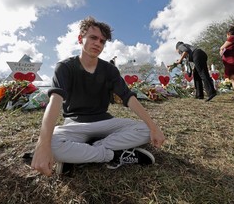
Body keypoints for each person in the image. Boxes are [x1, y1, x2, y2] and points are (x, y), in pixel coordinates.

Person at [31, 16, 165, 176]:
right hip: (75, 124)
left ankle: (81, 153)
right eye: (93, 38)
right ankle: (113, 155)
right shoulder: (65, 67)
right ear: (80, 39)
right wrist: (43, 144)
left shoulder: (109, 70)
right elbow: (55, 102)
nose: (98, 43)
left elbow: (128, 97)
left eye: (102, 41)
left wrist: (153, 127)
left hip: (105, 122)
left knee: (145, 129)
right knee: (51, 144)